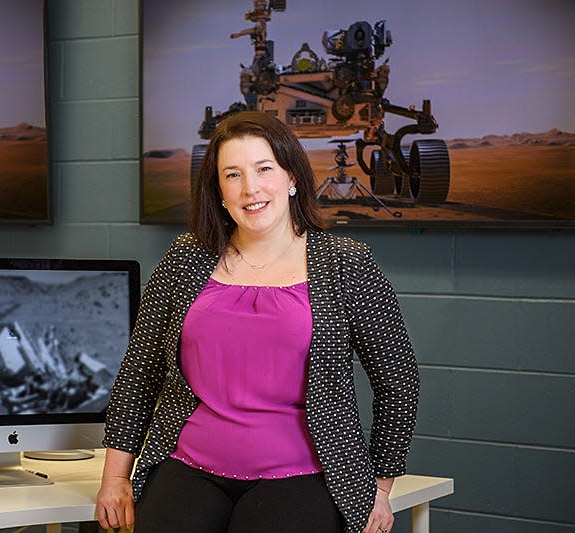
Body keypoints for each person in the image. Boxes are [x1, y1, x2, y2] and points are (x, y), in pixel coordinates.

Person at [96, 111, 419, 533]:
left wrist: (378, 486)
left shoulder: (346, 263)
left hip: (304, 476)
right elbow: (139, 371)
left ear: (292, 178)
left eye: (264, 168)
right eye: (232, 175)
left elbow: (399, 381)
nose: (250, 189)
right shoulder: (186, 258)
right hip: (188, 466)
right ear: (219, 190)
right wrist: (115, 478)